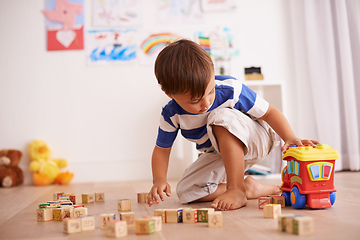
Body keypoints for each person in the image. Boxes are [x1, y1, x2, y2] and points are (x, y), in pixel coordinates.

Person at [147, 39, 318, 211]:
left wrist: (290, 137)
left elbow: (269, 112)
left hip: (256, 139)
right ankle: (249, 187)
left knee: (219, 117)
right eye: (195, 101)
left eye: (211, 91)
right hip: (219, 152)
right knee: (186, 191)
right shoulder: (171, 114)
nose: (206, 103)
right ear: (169, 93)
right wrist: (159, 180)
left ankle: (236, 189)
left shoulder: (230, 88)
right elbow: (162, 149)